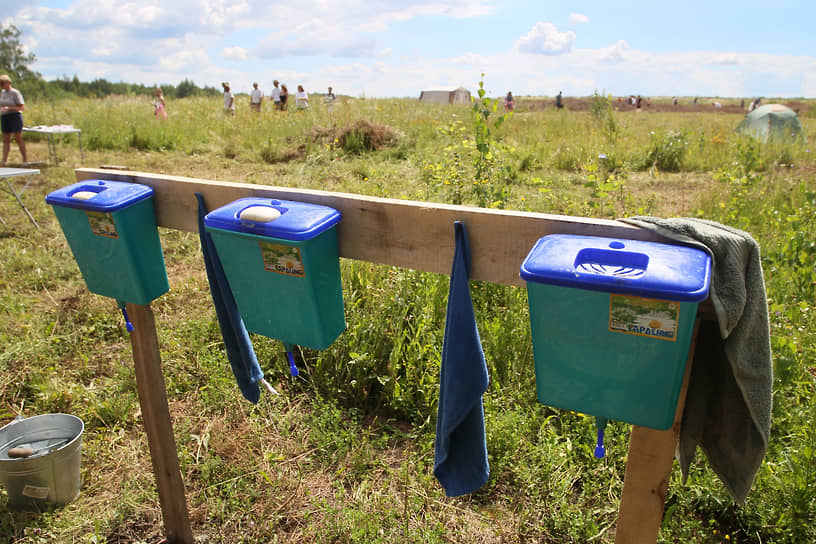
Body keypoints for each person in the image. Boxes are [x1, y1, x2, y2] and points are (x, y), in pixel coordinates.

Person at [0, 74, 28, 165]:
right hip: (5, 117)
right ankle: (4, 160)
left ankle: (25, 160)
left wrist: (9, 108)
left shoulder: (15, 92)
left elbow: (22, 107)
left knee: (18, 138)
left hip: (15, 116)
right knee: (5, 139)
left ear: (8, 83)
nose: (1, 85)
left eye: (2, 83)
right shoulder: (2, 92)